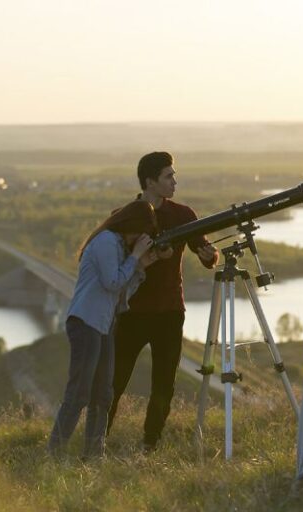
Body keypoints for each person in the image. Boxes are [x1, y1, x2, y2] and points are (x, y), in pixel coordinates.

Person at [106, 151, 218, 452]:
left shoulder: (183, 215)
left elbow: (204, 250)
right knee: (114, 381)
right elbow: (112, 263)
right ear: (150, 181)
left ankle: (150, 445)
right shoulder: (125, 216)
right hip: (132, 312)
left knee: (164, 384)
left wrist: (211, 257)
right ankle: (97, 440)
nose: (174, 182)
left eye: (173, 175)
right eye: (169, 176)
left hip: (170, 312)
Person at [48, 200, 158, 458]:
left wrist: (140, 268)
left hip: (105, 324)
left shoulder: (119, 247)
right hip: (86, 322)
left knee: (103, 395)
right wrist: (134, 258)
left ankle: (94, 456)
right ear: (134, 225)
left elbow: (121, 294)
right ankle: (54, 453)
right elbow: (112, 282)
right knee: (79, 392)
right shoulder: (107, 242)